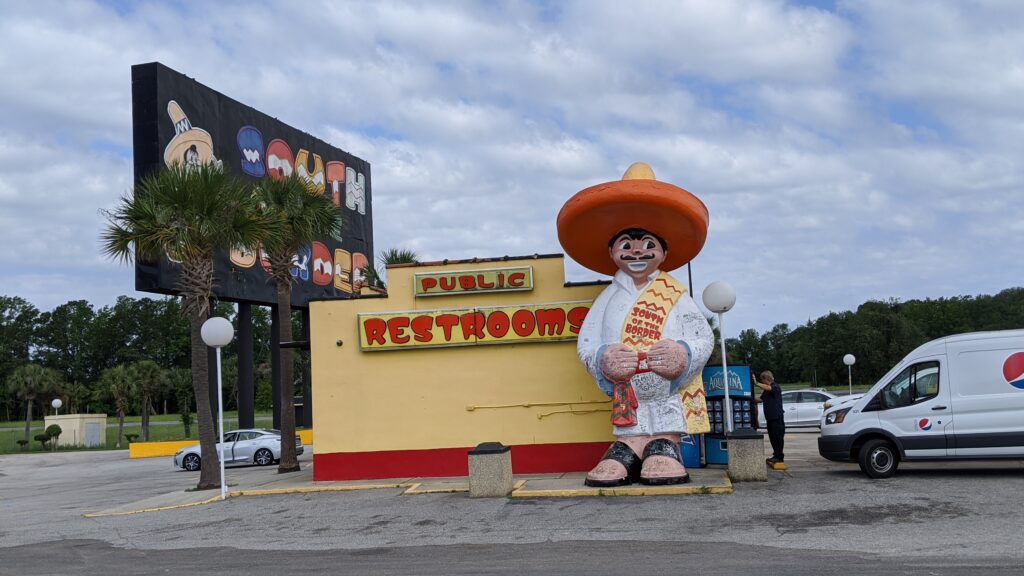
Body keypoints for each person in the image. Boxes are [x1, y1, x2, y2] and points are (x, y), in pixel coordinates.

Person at [557, 162, 714, 487]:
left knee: (664, 421)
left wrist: (683, 353)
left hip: (666, 391)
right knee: (629, 428)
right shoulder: (608, 298)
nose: (638, 251)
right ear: (612, 251)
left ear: (664, 251)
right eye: (627, 244)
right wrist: (603, 358)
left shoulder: (674, 295)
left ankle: (665, 444)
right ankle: (628, 447)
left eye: (648, 244)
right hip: (626, 392)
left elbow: (703, 337)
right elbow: (585, 343)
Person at [755, 370, 784, 464]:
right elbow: (760, 399)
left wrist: (756, 383)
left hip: (777, 418)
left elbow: (769, 388)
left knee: (777, 438)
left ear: (766, 378)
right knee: (772, 438)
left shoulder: (775, 387)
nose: (762, 382)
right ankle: (775, 455)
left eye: (762, 380)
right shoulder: (766, 391)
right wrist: (749, 398)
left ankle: (779, 457)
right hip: (770, 418)